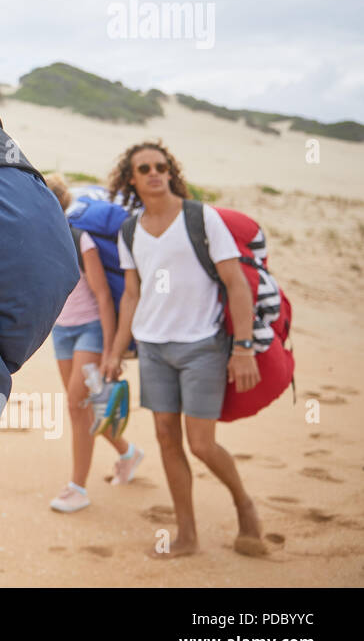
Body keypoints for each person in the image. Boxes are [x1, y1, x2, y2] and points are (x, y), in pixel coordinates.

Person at [103, 142, 266, 557]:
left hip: (201, 346)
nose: (155, 173)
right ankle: (187, 535)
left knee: (201, 444)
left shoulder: (201, 218)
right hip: (153, 349)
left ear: (171, 172)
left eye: (161, 166)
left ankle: (244, 504)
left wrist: (243, 348)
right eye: (145, 168)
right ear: (132, 179)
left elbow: (236, 284)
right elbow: (130, 296)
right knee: (165, 439)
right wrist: (116, 351)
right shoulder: (130, 229)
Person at [44, 174, 144, 513]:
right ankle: (128, 453)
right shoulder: (39, 238)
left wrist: (110, 350)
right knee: (83, 407)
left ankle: (77, 488)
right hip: (62, 330)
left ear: (57, 204)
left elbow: (103, 296)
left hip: (91, 329)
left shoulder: (80, 239)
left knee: (76, 404)